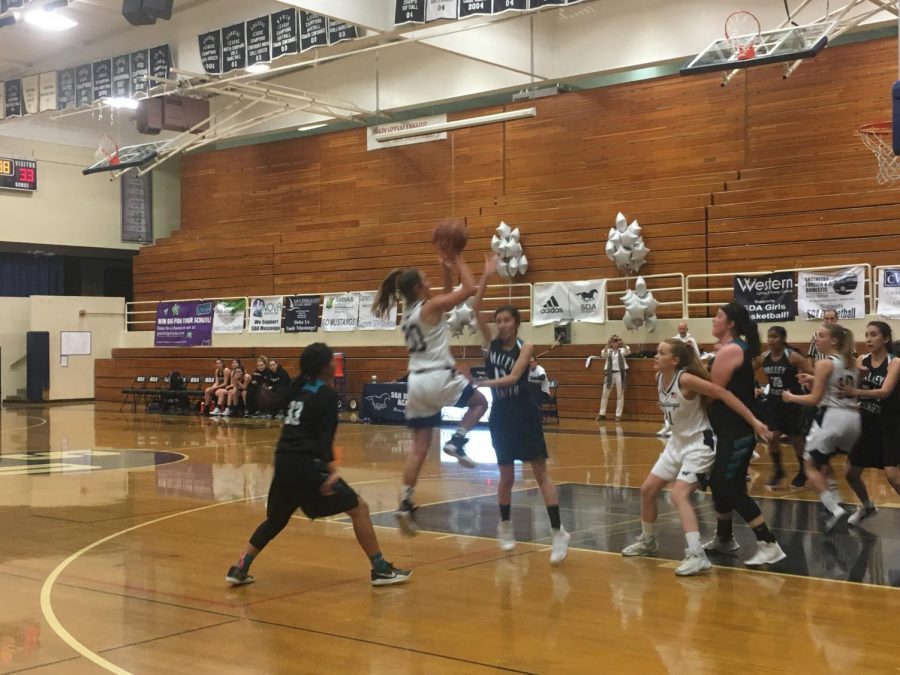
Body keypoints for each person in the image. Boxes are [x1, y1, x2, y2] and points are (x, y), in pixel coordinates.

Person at [225, 343, 411, 587]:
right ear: (325, 366)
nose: (335, 365)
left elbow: (272, 404)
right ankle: (380, 569)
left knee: (277, 519)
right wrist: (331, 473)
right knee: (359, 508)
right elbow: (325, 441)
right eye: (331, 362)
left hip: (284, 461)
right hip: (308, 465)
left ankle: (240, 566)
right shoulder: (326, 394)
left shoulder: (297, 386)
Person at [621, 339, 770, 576]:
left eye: (661, 353)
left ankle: (697, 555)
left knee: (678, 495)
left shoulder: (686, 380)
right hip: (676, 443)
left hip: (699, 445)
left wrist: (754, 421)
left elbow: (722, 393)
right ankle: (648, 541)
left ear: (675, 360)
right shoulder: (660, 378)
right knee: (647, 490)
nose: (655, 357)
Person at [372, 249, 490, 536]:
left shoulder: (410, 312)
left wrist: (446, 268)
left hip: (415, 383)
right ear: (417, 288)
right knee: (480, 403)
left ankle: (405, 502)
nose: (430, 283)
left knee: (419, 447)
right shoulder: (430, 306)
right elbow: (470, 289)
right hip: (439, 376)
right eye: (425, 280)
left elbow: (448, 292)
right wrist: (459, 258)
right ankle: (457, 441)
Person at [473, 259, 569, 564]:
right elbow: (475, 308)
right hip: (501, 414)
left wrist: (482, 381)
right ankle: (505, 526)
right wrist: (486, 277)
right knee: (505, 476)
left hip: (524, 411)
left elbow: (514, 378)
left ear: (516, 323)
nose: (501, 324)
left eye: (506, 320)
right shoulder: (490, 345)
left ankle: (558, 532)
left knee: (540, 473)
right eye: (498, 320)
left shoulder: (525, 348)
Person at [703, 303, 786, 566]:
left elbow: (714, 391)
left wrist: (693, 370)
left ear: (730, 323)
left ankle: (769, 543)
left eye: (718, 316)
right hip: (728, 428)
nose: (713, 320)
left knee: (728, 485)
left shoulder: (730, 350)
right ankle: (725, 538)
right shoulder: (736, 348)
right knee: (720, 483)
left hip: (736, 429)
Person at [784, 322, 861, 532]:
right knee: (824, 462)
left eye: (821, 335)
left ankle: (834, 509)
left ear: (834, 340)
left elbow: (814, 399)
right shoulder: (851, 362)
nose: (817, 339)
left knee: (808, 465)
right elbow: (835, 386)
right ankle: (838, 496)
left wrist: (791, 397)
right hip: (853, 420)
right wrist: (813, 379)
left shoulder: (824, 363)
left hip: (831, 418)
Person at [835, 321, 900, 525]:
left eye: (874, 334)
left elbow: (884, 392)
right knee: (851, 473)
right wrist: (814, 379)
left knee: (892, 475)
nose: (869, 339)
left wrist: (856, 392)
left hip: (890, 425)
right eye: (867, 334)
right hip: (866, 424)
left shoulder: (894, 362)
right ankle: (866, 506)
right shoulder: (861, 360)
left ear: (886, 339)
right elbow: (844, 382)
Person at [757, 326, 813, 489]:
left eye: (774, 337)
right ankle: (779, 470)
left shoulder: (792, 356)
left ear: (782, 339)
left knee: (796, 439)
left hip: (792, 402)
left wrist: (810, 382)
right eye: (769, 337)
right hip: (774, 402)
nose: (771, 340)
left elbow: (811, 371)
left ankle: (803, 471)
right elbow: (746, 370)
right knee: (772, 437)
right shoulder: (764, 357)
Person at [658, 322, 702, 436]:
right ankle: (667, 427)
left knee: (678, 402)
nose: (682, 330)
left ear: (687, 329)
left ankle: (676, 428)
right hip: (674, 371)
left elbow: (697, 354)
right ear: (678, 329)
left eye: (684, 328)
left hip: (684, 369)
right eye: (680, 328)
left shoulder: (691, 340)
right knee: (668, 402)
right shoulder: (673, 340)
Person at [597, 335, 630, 421]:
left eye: (616, 341)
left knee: (620, 394)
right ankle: (602, 413)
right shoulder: (607, 350)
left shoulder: (622, 350)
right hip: (609, 374)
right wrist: (608, 343)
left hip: (620, 373)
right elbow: (602, 355)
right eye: (613, 341)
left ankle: (618, 415)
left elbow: (628, 351)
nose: (614, 343)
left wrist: (621, 342)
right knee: (605, 394)